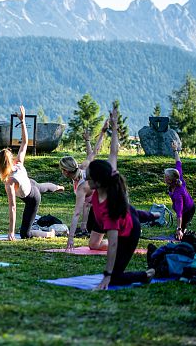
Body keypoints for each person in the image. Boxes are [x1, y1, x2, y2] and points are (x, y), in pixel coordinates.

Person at [88, 106, 155, 290]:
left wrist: (106, 276)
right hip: (127, 213)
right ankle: (151, 215)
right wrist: (114, 127)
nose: (86, 178)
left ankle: (148, 274)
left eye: (88, 175)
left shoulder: (109, 208)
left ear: (98, 181)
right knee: (130, 209)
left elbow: (113, 244)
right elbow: (113, 153)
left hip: (130, 231)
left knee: (115, 278)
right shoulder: (105, 181)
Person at [0, 106, 64, 240]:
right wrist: (22, 121)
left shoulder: (10, 182)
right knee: (44, 187)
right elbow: (25, 142)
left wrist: (11, 232)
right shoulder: (18, 162)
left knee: (25, 234)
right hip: (30, 184)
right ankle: (58, 187)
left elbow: (13, 208)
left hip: (32, 198)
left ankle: (49, 233)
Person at [60, 120, 109, 250]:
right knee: (90, 230)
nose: (61, 172)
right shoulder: (81, 168)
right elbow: (94, 152)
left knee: (94, 244)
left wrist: (70, 238)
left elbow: (76, 213)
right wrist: (102, 132)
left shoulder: (82, 187)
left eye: (62, 169)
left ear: (66, 171)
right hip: (99, 207)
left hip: (108, 205)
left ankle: (121, 241)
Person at [165, 140, 194, 239]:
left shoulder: (178, 194)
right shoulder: (178, 176)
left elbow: (179, 213)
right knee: (179, 233)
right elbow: (178, 163)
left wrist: (179, 228)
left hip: (188, 210)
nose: (164, 178)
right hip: (185, 208)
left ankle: (184, 231)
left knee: (181, 236)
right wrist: (175, 150)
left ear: (170, 180)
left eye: (166, 177)